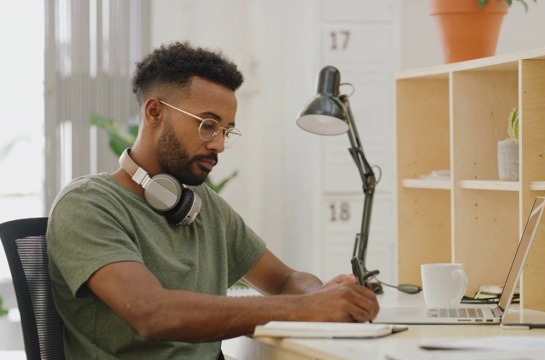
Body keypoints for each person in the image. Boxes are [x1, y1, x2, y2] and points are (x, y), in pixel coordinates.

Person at [46, 41, 379, 359]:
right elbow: (150, 312)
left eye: (227, 131)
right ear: (154, 113)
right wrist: (305, 309)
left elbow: (282, 280)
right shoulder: (87, 205)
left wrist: (320, 295)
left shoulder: (203, 205)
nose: (219, 145)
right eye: (207, 125)